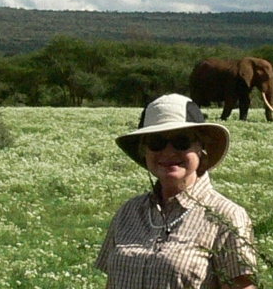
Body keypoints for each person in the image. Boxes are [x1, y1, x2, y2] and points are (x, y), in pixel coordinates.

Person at [95, 93, 257, 289]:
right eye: (156, 142)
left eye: (181, 142)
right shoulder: (128, 212)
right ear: (144, 150)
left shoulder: (226, 216)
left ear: (201, 147)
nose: (168, 152)